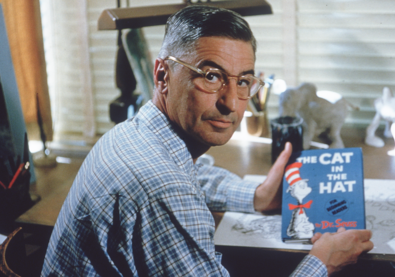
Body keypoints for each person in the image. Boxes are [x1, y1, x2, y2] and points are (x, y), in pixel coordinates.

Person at [41, 5, 373, 276]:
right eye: (211, 76)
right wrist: (322, 263)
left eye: (243, 81)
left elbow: (189, 173)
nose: (231, 102)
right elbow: (172, 188)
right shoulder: (163, 190)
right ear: (162, 76)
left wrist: (257, 196)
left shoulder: (138, 132)